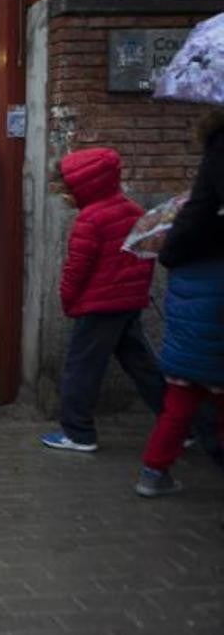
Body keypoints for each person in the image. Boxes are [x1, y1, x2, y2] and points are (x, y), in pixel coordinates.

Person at [40, 147, 164, 453]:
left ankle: (79, 433)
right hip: (128, 304)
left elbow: (76, 270)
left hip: (98, 306)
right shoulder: (135, 210)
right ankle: (181, 423)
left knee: (81, 368)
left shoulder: (90, 220)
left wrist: (69, 302)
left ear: (85, 184)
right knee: (143, 366)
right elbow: (146, 258)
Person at [134, 112, 224, 496]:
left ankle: (152, 473)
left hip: (188, 347)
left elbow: (172, 253)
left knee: (178, 404)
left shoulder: (187, 236)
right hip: (215, 346)